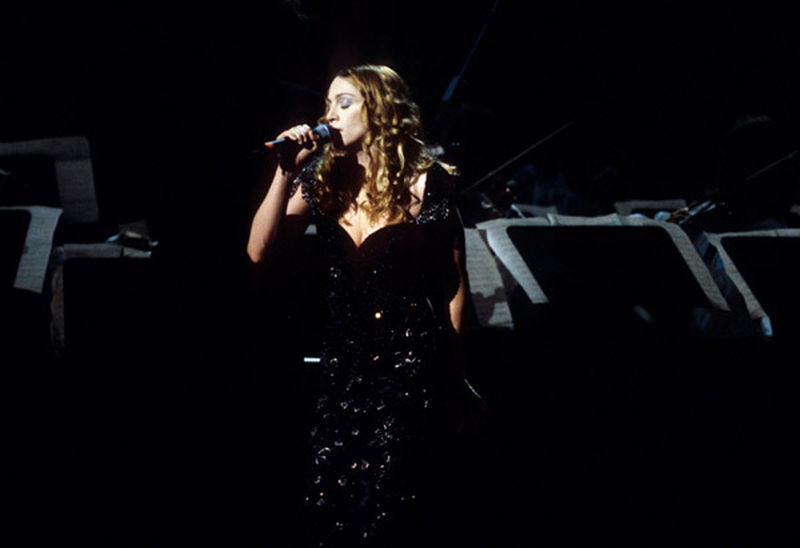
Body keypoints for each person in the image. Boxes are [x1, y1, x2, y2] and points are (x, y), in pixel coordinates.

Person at [247, 64, 480, 546]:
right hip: (344, 373)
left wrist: (456, 376)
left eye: (344, 102)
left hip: (413, 373)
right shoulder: (321, 179)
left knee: (397, 511)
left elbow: (453, 286)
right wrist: (284, 171)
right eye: (327, 104)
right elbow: (259, 253)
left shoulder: (431, 184)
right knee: (334, 508)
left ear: (380, 110)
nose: (329, 116)